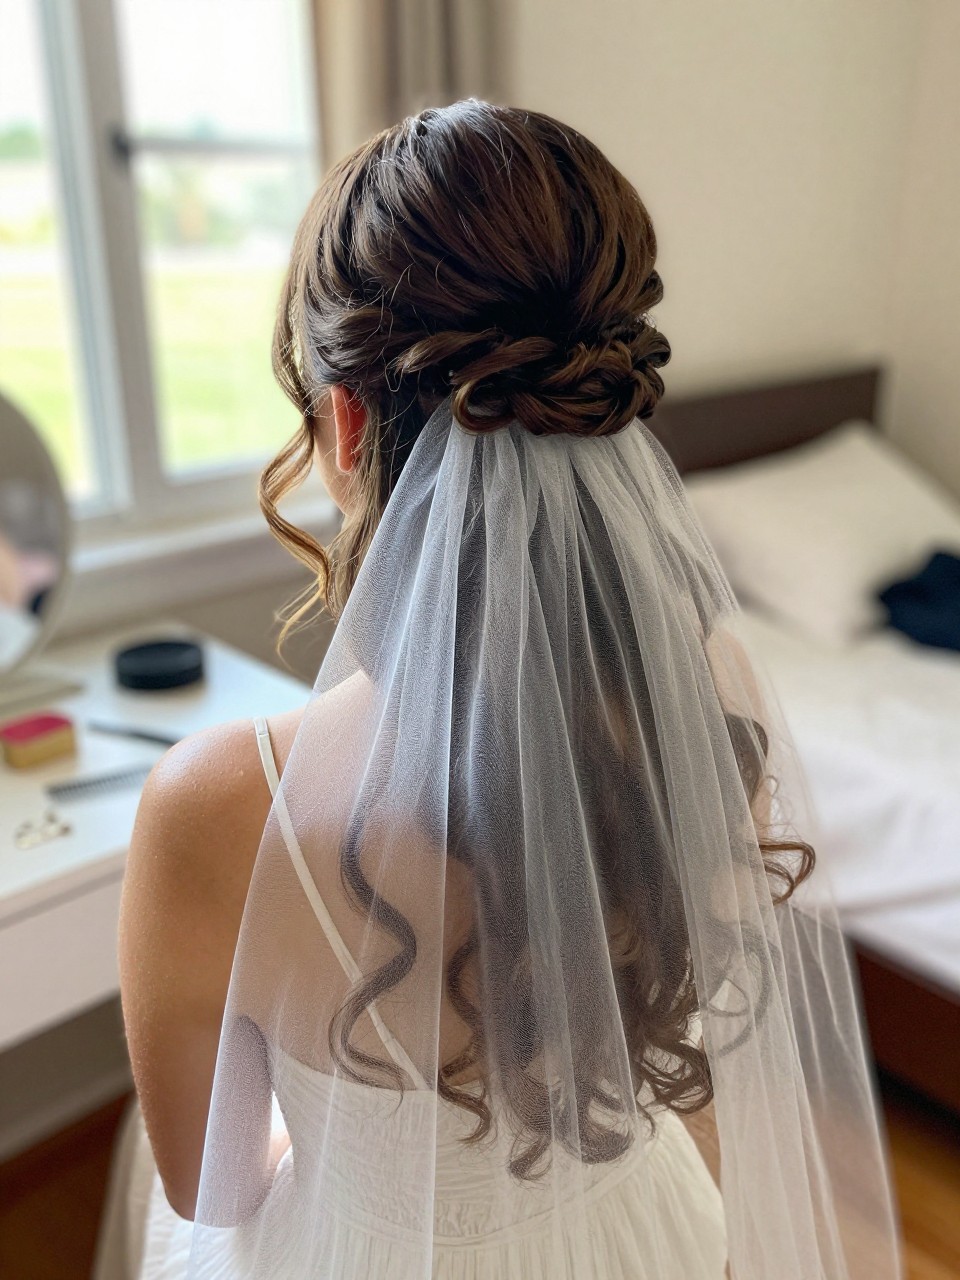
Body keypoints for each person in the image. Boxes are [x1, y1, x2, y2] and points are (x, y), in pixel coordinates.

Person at [108, 100, 903, 1279]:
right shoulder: (709, 697)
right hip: (640, 1238)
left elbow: (213, 1183)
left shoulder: (217, 806)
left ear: (343, 422)